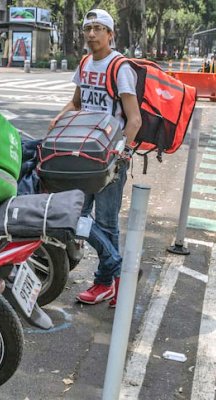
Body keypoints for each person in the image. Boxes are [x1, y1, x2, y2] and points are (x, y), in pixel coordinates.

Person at [49, 9, 142, 307]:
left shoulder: (119, 67)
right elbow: (77, 101)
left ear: (110, 34)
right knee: (76, 215)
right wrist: (59, 119)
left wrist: (122, 154)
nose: (91, 34)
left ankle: (105, 282)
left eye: (98, 28)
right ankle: (116, 271)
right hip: (84, 154)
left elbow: (134, 118)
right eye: (88, 28)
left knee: (106, 221)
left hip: (110, 157)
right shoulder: (85, 62)